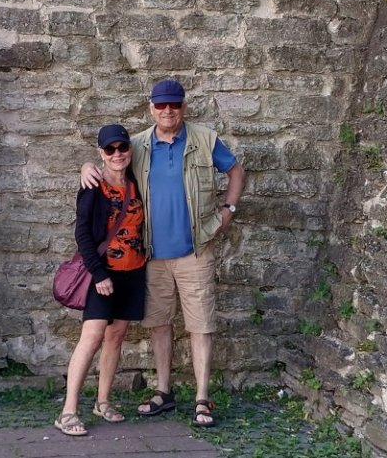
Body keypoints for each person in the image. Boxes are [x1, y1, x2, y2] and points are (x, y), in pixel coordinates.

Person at [80, 80, 245, 428]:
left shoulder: (205, 139)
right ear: (151, 108)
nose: (167, 110)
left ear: (183, 106)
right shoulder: (137, 145)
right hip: (152, 256)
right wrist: (86, 167)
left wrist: (228, 211)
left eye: (174, 104)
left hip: (195, 251)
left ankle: (202, 398)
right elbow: (112, 161)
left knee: (201, 324)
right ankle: (164, 392)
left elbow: (235, 170)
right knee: (159, 324)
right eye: (161, 105)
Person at [55, 124, 148, 437]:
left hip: (133, 272)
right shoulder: (93, 185)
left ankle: (103, 401)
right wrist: (97, 273)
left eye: (122, 147)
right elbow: (82, 233)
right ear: (101, 153)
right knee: (92, 336)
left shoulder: (136, 182)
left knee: (116, 336)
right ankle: (68, 411)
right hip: (103, 274)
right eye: (110, 149)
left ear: (130, 150)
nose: (117, 154)